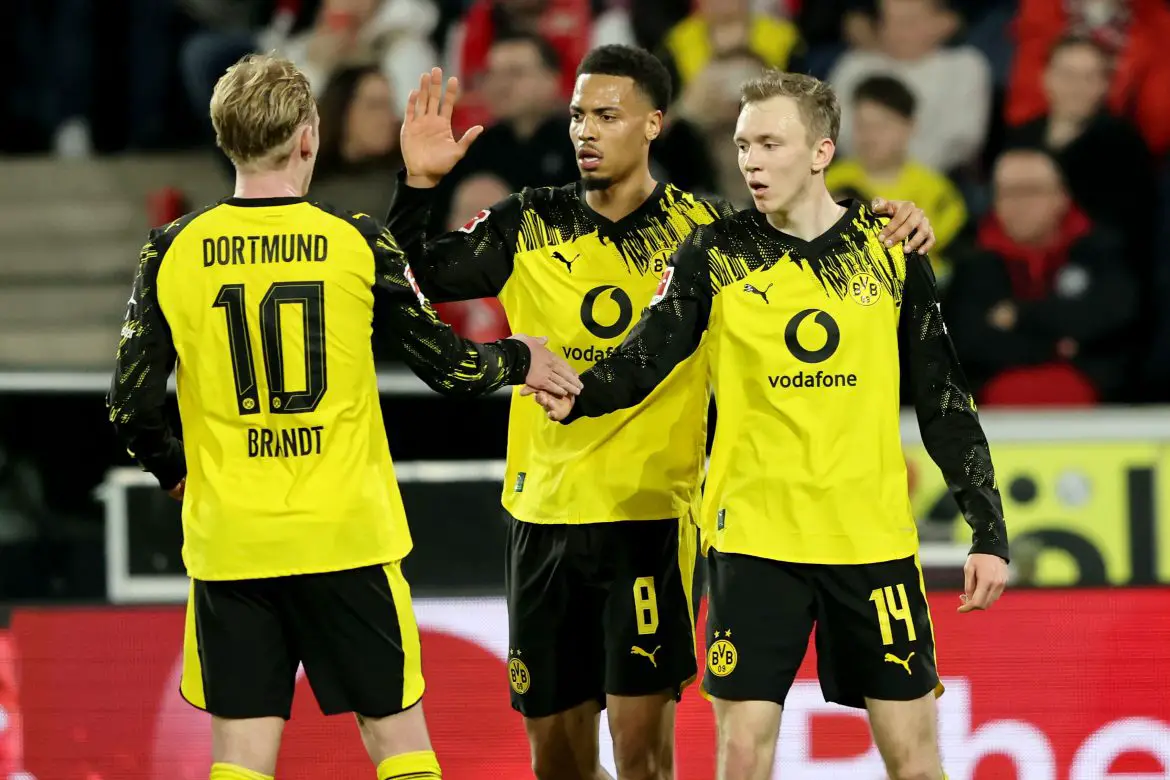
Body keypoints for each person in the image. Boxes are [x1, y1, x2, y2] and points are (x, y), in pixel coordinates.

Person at [388, 50, 938, 780]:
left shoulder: (704, 230)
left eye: (606, 115)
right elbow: (409, 277)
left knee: (643, 758)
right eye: (577, 115)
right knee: (557, 763)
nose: (585, 130)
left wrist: (889, 218)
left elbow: (807, 231)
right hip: (544, 510)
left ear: (653, 124)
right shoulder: (529, 221)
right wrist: (419, 186)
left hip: (653, 517)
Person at [105, 53, 579, 780]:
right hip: (347, 535)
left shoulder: (172, 250)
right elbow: (450, 368)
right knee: (398, 743)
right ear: (308, 137)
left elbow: (130, 405)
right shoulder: (353, 241)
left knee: (242, 758)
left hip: (233, 539)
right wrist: (519, 357)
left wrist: (175, 472)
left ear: (225, 138)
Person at [533, 70, 1010, 780]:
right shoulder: (715, 254)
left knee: (914, 759)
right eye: (742, 145)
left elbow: (944, 398)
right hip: (753, 540)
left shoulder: (889, 251)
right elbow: (646, 355)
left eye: (770, 144)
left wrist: (988, 529)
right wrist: (576, 392)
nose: (751, 162)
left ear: (821, 152)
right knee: (741, 751)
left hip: (867, 540)